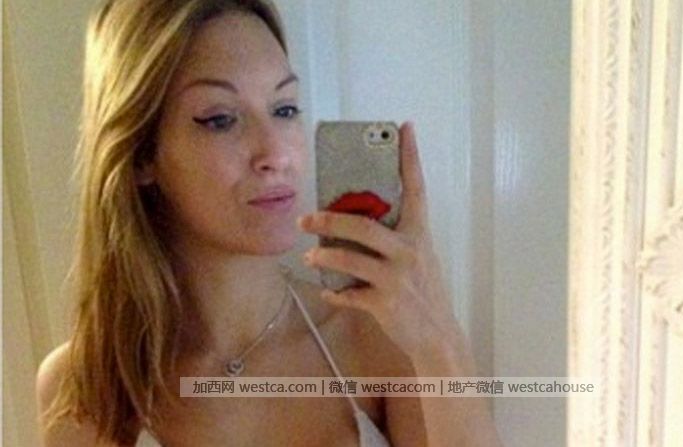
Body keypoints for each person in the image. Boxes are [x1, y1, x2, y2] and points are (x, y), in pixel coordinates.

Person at [35, 0, 503, 445]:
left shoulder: (371, 338)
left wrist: (438, 338)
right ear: (141, 155)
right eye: (220, 119)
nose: (276, 154)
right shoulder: (84, 386)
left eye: (284, 109)